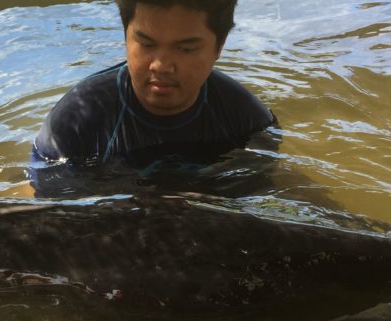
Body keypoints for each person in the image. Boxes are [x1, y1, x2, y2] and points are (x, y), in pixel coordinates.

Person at [30, 0, 277, 197]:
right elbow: (50, 210)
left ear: (219, 46)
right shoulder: (73, 125)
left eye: (185, 49)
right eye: (146, 44)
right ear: (126, 37)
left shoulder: (251, 123)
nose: (161, 66)